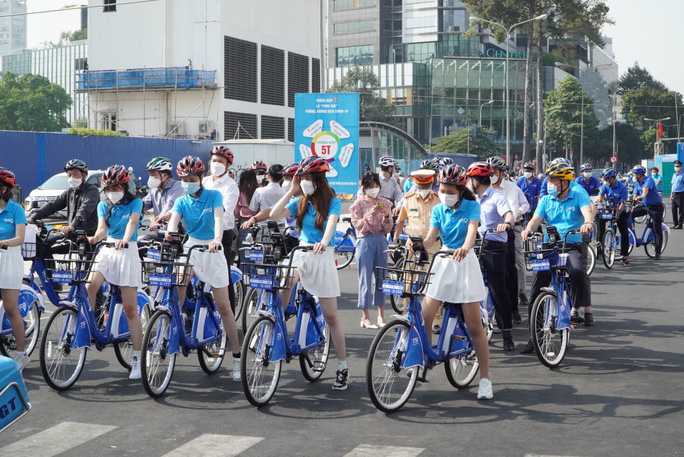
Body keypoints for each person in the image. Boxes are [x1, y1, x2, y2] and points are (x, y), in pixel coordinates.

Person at [408, 164, 492, 400]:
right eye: (441, 188)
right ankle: (424, 359)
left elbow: (472, 232)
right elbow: (429, 240)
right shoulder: (438, 209)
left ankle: (485, 379)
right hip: (443, 261)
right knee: (425, 314)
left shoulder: (472, 206)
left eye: (448, 189)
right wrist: (416, 243)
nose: (444, 193)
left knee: (475, 327)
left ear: (460, 188)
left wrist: (466, 248)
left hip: (465, 264)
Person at [270, 156, 350, 391]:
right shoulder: (300, 201)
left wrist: (324, 242)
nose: (303, 181)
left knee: (332, 316)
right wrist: (292, 190)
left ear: (319, 179)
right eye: (301, 178)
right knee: (284, 281)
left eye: (307, 178)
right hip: (302, 253)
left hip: (322, 256)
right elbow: (275, 213)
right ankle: (279, 320)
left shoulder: (332, 202)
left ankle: (342, 367)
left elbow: (332, 224)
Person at [167, 156, 242, 381]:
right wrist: (170, 233)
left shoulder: (214, 195)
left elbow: (219, 221)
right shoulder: (181, 200)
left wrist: (217, 239)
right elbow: (173, 221)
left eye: (192, 179)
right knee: (179, 280)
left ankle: (237, 357)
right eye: (184, 179)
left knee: (224, 307)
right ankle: (175, 322)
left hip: (213, 249)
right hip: (191, 247)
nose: (188, 183)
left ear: (201, 178)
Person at [521, 160, 594, 354]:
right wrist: (528, 230)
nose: (550, 184)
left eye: (554, 181)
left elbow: (588, 211)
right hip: (549, 246)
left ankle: (575, 309)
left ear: (565, 182)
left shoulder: (578, 194)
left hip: (572, 243)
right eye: (549, 180)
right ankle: (533, 336)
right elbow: (536, 219)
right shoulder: (546, 200)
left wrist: (587, 222)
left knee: (577, 271)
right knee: (535, 291)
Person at [85, 165, 144, 380]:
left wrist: (126, 240)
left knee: (130, 309)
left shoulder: (136, 202)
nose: (113, 190)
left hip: (128, 252)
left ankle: (137, 358)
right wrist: (94, 238)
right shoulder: (103, 205)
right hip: (107, 249)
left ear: (125, 186)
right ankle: (88, 329)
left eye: (117, 186)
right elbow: (102, 230)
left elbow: (132, 223)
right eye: (109, 187)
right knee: (89, 286)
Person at [467, 161, 516, 351]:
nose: (469, 182)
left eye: (471, 179)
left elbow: (509, 214)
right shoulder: (471, 199)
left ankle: (507, 333)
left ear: (477, 181)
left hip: (494, 246)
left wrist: (506, 223)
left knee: (498, 290)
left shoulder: (497, 197)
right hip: (475, 244)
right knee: (468, 287)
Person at [28, 159, 100, 288]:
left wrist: (72, 225)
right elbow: (52, 205)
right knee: (44, 248)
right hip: (71, 237)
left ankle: (96, 305)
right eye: (69, 175)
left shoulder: (92, 190)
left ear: (84, 175)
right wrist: (33, 218)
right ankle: (53, 285)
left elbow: (84, 210)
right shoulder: (70, 192)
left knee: (84, 279)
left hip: (87, 238)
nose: (72, 178)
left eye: (75, 174)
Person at [487, 156, 529, 325]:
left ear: (502, 173)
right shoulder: (482, 187)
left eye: (495, 172)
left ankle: (513, 308)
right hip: (485, 234)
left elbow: (512, 207)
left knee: (510, 270)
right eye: (489, 172)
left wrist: (506, 222)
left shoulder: (511, 187)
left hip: (507, 232)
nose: (492, 175)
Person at [350, 172, 393, 329]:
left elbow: (388, 227)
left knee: (382, 278)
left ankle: (381, 315)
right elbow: (358, 226)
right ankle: (365, 316)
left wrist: (386, 215)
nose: (374, 189)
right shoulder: (357, 205)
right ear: (364, 188)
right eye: (370, 187)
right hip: (365, 241)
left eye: (376, 186)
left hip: (381, 240)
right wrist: (370, 214)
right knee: (365, 278)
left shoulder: (385, 203)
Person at [0, 168, 30, 370]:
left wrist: (3, 242)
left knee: (11, 308)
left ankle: (21, 353)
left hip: (9, 259)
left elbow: (20, 238)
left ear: (3, 189)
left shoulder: (16, 209)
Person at [203, 146, 239, 310]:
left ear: (227, 165)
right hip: (200, 232)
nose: (215, 164)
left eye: (220, 161)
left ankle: (228, 314)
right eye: (214, 160)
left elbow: (226, 214)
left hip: (222, 234)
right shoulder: (204, 182)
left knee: (223, 275)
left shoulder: (230, 186)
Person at [140, 157, 185, 242]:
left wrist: (158, 222)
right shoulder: (154, 191)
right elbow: (141, 205)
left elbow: (170, 205)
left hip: (177, 235)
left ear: (164, 176)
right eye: (149, 175)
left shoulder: (178, 186)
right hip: (160, 234)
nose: (150, 178)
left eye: (153, 174)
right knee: (141, 245)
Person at [597, 168, 631, 266]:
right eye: (605, 179)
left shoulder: (623, 188)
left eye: (607, 179)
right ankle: (600, 241)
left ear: (612, 178)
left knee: (624, 231)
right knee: (600, 220)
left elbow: (623, 203)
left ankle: (625, 255)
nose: (606, 181)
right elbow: (600, 195)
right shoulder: (605, 186)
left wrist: (617, 215)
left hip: (620, 210)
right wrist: (598, 201)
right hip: (609, 209)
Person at [632, 165, 665, 260]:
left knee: (657, 229)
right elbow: (635, 193)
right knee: (630, 214)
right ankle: (634, 237)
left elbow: (645, 189)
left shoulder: (649, 180)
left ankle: (658, 252)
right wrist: (634, 198)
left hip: (656, 207)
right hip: (645, 206)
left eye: (634, 174)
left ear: (639, 174)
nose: (633, 176)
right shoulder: (637, 183)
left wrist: (642, 196)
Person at [235, 169, 259, 264]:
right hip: (258, 220)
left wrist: (239, 219)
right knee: (257, 251)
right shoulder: (258, 189)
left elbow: (237, 209)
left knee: (245, 251)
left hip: (245, 222)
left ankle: (244, 274)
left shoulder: (240, 190)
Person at [670, 160, 684, 229]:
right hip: (674, 194)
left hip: (680, 194)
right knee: (673, 209)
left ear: (681, 167)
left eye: (678, 166)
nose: (676, 167)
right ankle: (675, 224)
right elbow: (672, 185)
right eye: (675, 166)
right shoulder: (674, 175)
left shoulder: (682, 175)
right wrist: (671, 194)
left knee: (681, 210)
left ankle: (680, 224)